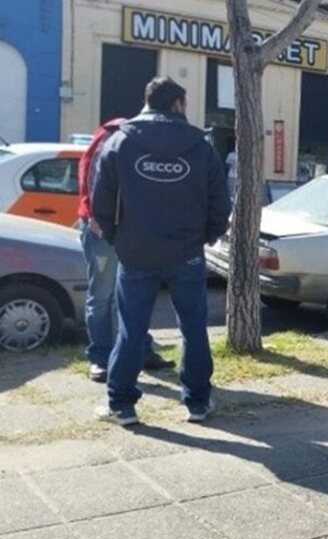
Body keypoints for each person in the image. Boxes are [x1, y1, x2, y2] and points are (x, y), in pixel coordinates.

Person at [91, 77, 232, 426]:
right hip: (186, 253)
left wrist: (116, 237)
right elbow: (220, 200)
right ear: (178, 104)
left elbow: (101, 199)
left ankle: (121, 405)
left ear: (147, 101)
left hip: (136, 252)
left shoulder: (120, 140)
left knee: (131, 329)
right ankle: (197, 403)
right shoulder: (200, 145)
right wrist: (209, 235)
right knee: (193, 329)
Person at [78, 119, 174, 383]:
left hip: (132, 232)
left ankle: (140, 351)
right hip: (104, 231)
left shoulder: (136, 140)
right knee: (103, 296)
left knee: (134, 295)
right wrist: (98, 220)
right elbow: (94, 183)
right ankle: (100, 358)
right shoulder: (113, 139)